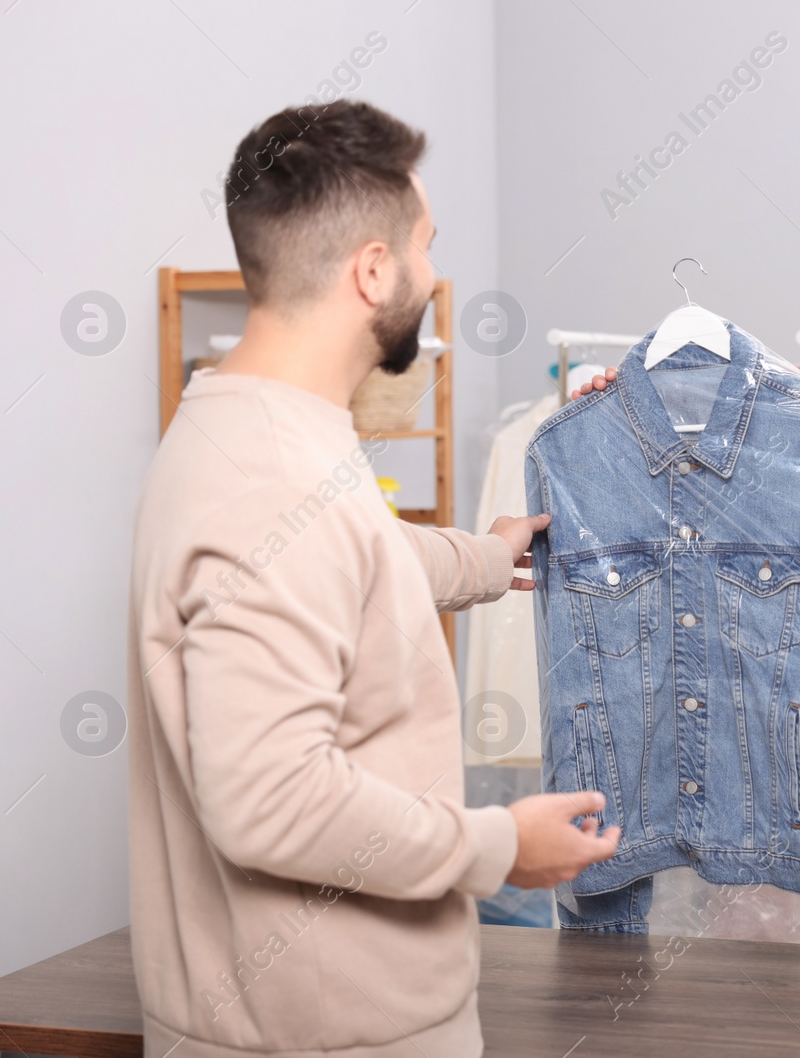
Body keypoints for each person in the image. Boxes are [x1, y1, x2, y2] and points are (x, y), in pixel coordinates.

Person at [127, 99, 619, 1058]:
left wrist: (485, 554)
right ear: (373, 269)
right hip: (320, 1030)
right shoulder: (267, 481)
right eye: (425, 247)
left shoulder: (262, 427)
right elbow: (270, 798)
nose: (432, 276)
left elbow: (345, 556)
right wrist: (500, 846)